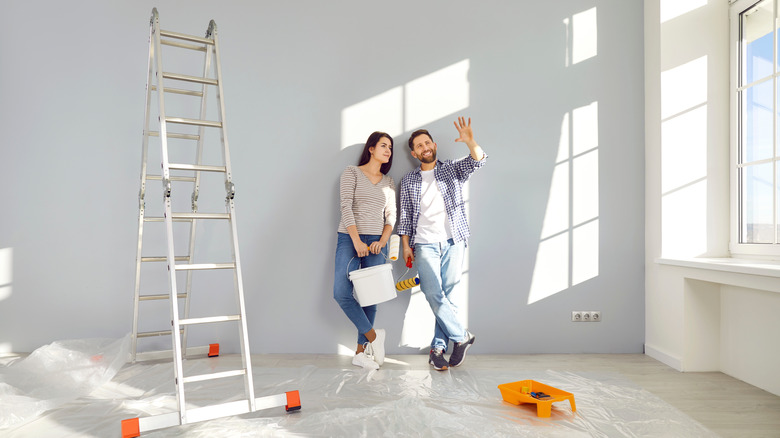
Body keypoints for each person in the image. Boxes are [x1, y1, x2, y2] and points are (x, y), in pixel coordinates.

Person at [398, 117, 486, 371]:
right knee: (432, 292)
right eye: (419, 145)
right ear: (414, 153)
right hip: (424, 243)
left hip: (454, 241)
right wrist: (405, 245)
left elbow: (477, 161)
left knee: (450, 296)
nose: (425, 147)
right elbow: (404, 217)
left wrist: (471, 142)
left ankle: (438, 349)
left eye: (428, 142)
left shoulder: (451, 169)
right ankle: (461, 337)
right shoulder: (409, 181)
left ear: (434, 145)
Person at [333, 131, 396, 370]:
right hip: (349, 239)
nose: (388, 150)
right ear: (371, 148)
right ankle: (373, 336)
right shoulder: (352, 172)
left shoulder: (388, 181)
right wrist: (357, 240)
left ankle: (361, 352)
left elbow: (391, 215)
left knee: (371, 297)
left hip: (377, 242)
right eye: (383, 145)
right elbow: (345, 206)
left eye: (390, 147)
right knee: (341, 293)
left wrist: (382, 240)